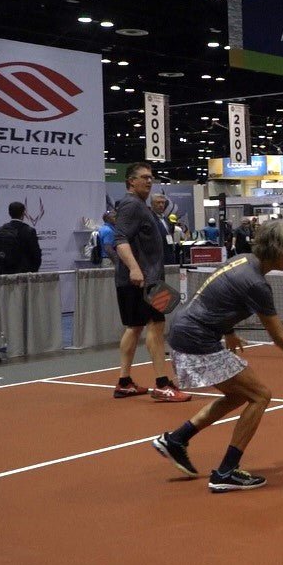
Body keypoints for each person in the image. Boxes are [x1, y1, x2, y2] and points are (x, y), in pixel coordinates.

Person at [151, 219, 283, 492]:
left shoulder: (241, 260)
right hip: (196, 339)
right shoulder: (256, 285)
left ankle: (177, 440)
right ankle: (226, 472)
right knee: (260, 395)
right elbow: (280, 339)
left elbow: (216, 297)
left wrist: (228, 330)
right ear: (277, 250)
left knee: (239, 394)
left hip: (188, 330)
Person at [111, 162, 190, 402]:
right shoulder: (132, 205)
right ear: (130, 182)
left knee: (135, 327)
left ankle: (124, 382)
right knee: (156, 325)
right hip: (143, 280)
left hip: (145, 279)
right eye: (143, 177)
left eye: (151, 177)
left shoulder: (139, 206)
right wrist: (134, 269)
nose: (149, 180)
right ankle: (163, 384)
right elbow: (120, 239)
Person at [0, 201, 43, 274]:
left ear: (9, 213)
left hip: (5, 273)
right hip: (24, 274)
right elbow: (36, 254)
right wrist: (33, 271)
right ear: (23, 214)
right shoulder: (29, 231)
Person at [150, 194, 178, 265]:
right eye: (158, 202)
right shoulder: (149, 219)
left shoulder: (166, 219)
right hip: (156, 258)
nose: (161, 205)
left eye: (163, 203)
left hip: (169, 255)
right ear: (152, 204)